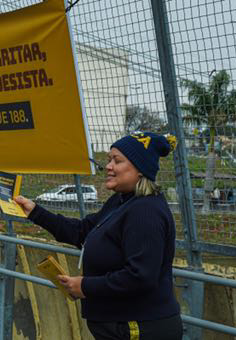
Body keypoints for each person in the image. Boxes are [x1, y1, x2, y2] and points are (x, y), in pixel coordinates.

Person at [15, 132, 182, 340]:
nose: (108, 166)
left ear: (140, 169)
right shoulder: (121, 201)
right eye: (109, 160)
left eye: (117, 161)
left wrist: (84, 286)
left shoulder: (145, 211)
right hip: (122, 326)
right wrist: (35, 212)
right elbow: (82, 232)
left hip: (138, 328)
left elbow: (140, 276)